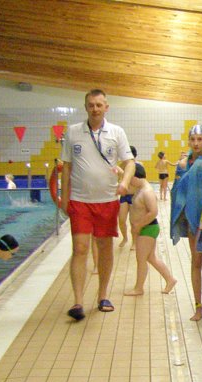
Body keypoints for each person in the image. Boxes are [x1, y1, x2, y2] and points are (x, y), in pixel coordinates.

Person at [60, 89, 135, 321]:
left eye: (99, 105)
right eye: (91, 105)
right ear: (86, 107)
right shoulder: (73, 132)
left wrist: (124, 182)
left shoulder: (116, 132)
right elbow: (66, 166)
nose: (95, 109)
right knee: (80, 248)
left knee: (104, 247)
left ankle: (103, 296)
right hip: (80, 200)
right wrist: (64, 197)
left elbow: (130, 162)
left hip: (107, 200)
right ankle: (78, 302)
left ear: (106, 107)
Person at [171, 124, 202, 321]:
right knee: (196, 262)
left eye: (200, 139)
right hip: (191, 219)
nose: (196, 143)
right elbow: (177, 191)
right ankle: (198, 307)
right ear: (188, 141)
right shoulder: (183, 164)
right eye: (193, 139)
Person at [123, 156, 176, 296]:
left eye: (130, 178)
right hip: (145, 228)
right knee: (151, 258)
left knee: (141, 259)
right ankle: (170, 280)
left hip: (148, 228)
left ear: (135, 177)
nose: (129, 182)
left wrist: (138, 225)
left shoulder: (147, 192)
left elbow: (153, 212)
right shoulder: (139, 189)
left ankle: (139, 288)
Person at [117, 145, 140, 248]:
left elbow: (138, 182)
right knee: (121, 220)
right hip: (124, 196)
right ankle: (125, 238)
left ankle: (134, 242)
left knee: (133, 221)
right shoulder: (122, 165)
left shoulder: (138, 165)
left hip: (134, 196)